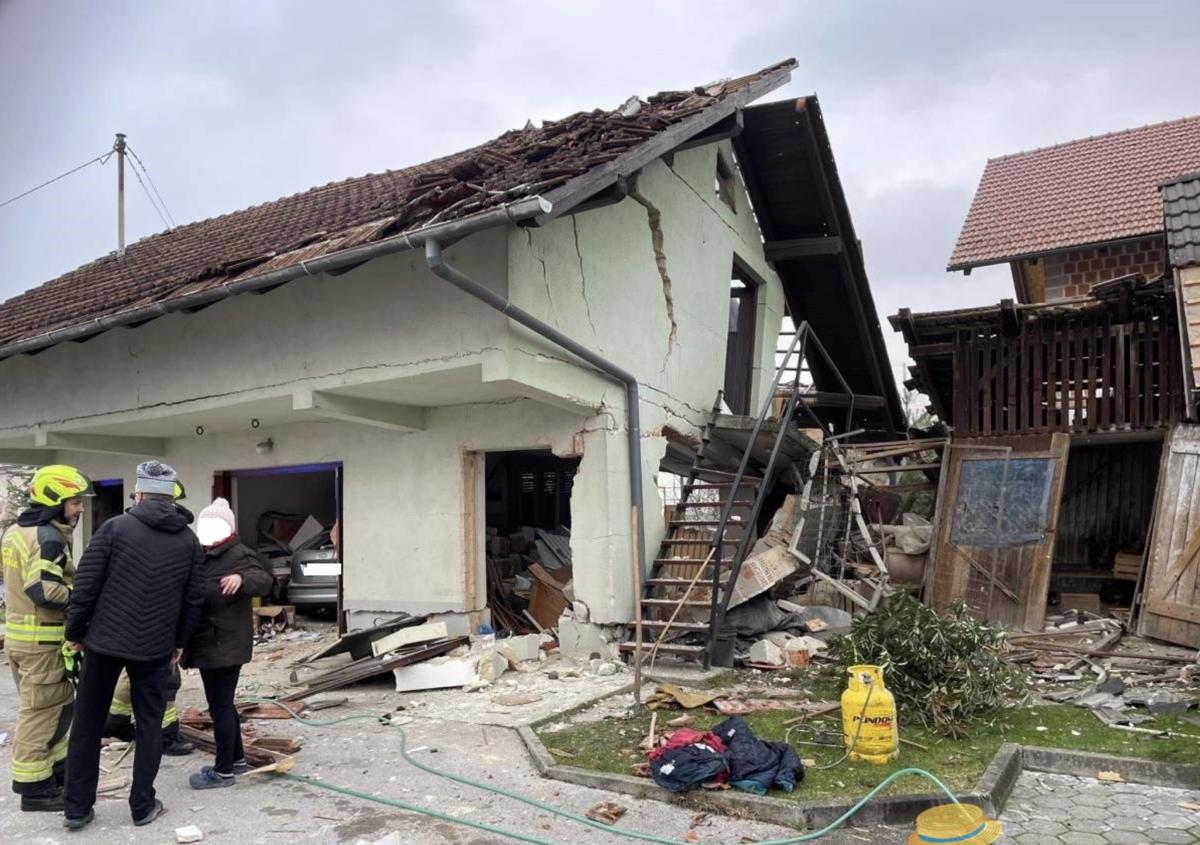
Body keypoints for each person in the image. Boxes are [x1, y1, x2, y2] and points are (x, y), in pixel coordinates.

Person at [62, 460, 205, 830]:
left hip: (104, 642)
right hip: (156, 647)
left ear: (139, 494)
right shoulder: (188, 541)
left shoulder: (114, 529)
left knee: (88, 723)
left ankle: (77, 808)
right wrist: (179, 642)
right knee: (150, 725)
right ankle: (142, 805)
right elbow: (193, 598)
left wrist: (75, 632)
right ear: (171, 497)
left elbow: (85, 587)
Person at [1, 465, 92, 811]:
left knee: (56, 708)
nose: (80, 509)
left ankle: (54, 773)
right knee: (42, 713)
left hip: (20, 639)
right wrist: (82, 598)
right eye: (75, 502)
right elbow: (42, 588)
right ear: (56, 501)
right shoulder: (49, 537)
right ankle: (35, 789)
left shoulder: (15, 532)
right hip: (42, 643)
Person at [184, 497, 273, 788]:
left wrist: (241, 579)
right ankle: (236, 760)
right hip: (211, 641)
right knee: (223, 703)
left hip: (224, 642)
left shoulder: (238, 554)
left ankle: (222, 771)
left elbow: (264, 579)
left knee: (219, 706)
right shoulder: (204, 554)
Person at [103, 481, 196, 757]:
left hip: (125, 623)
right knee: (165, 680)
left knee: (129, 675)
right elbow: (186, 589)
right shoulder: (175, 537)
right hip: (158, 624)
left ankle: (116, 721)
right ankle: (165, 735)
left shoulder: (120, 530)